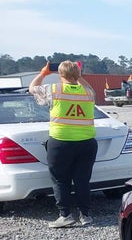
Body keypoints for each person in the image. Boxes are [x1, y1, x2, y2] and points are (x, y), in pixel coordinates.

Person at [28, 60, 98, 228]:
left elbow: (32, 88)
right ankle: (86, 215)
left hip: (61, 142)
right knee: (82, 180)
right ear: (78, 73)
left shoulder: (53, 90)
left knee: (60, 179)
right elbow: (91, 89)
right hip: (86, 142)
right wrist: (79, 76)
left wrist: (44, 73)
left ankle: (65, 215)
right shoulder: (88, 93)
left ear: (60, 75)